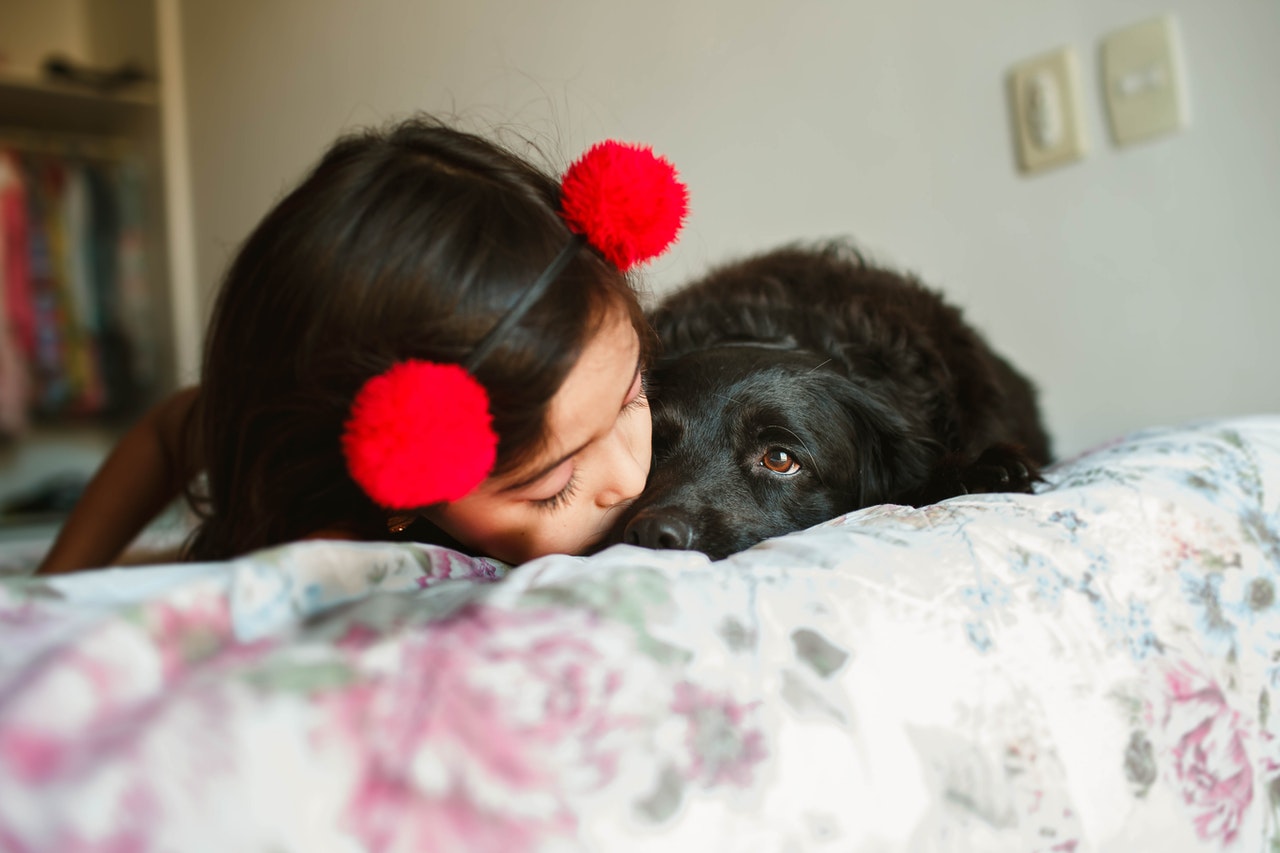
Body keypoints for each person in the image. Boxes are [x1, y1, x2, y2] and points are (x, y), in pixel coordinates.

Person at [35, 115, 688, 574]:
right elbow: (175, 430)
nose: (631, 478)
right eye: (554, 483)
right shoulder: (331, 551)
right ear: (394, 470)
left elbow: (175, 420)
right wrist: (57, 584)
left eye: (632, 399)